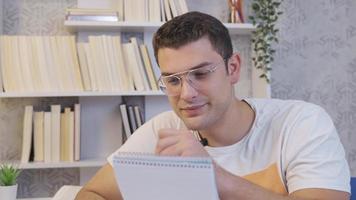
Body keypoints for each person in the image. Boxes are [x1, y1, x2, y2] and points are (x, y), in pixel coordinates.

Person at [75, 11, 350, 200]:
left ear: (233, 68)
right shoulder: (163, 130)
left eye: (201, 74)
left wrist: (212, 176)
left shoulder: (301, 123)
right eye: (172, 80)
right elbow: (90, 193)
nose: (186, 94)